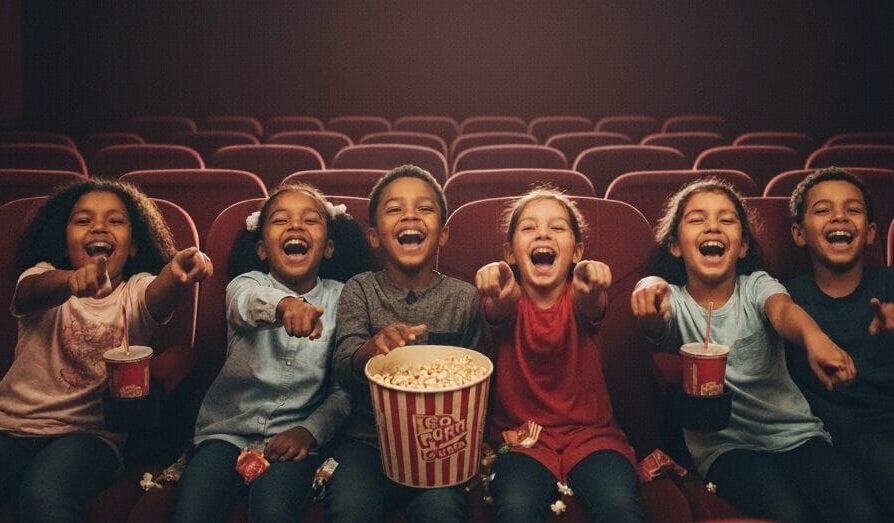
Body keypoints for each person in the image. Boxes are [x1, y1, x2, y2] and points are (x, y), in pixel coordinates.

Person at [630, 178, 881, 523]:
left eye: (727, 219)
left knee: (859, 512)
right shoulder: (674, 300)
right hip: (725, 448)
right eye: (697, 219)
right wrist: (648, 287)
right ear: (675, 245)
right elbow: (654, 322)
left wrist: (814, 339)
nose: (713, 226)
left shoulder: (757, 286)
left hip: (798, 433)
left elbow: (784, 312)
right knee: (789, 514)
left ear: (743, 245)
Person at [0, 179, 212, 523]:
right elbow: (31, 293)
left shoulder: (135, 290)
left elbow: (157, 293)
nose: (99, 226)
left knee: (44, 494)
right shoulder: (41, 276)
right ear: (64, 241)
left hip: (90, 437)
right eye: (83, 221)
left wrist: (176, 272)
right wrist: (70, 281)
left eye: (115, 221)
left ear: (133, 246)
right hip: (9, 425)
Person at [171, 183, 367, 523]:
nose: (295, 226)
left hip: (294, 439)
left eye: (310, 220)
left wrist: (308, 432)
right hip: (225, 433)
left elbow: (343, 390)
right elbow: (245, 306)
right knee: (191, 513)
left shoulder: (344, 298)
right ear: (262, 249)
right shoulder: (244, 285)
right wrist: (286, 306)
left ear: (329, 248)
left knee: (275, 512)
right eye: (280, 220)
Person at [325, 165, 484, 523]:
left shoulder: (464, 298)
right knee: (349, 507)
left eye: (424, 209)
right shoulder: (360, 290)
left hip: (444, 443)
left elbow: (478, 384)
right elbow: (343, 368)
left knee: (442, 510)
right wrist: (372, 349)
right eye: (394, 209)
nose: (410, 215)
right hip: (368, 441)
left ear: (443, 235)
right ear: (374, 237)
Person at [475, 188, 644, 523]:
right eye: (529, 227)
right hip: (522, 439)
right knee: (516, 509)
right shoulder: (506, 298)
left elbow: (591, 304)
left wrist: (591, 286)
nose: (542, 233)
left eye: (557, 228)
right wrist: (497, 286)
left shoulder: (582, 296)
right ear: (510, 252)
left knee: (620, 507)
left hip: (593, 436)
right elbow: (499, 308)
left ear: (577, 250)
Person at [785, 167, 894, 517]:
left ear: (871, 233)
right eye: (822, 210)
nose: (839, 217)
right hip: (834, 437)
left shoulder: (890, 284)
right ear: (799, 234)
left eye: (853, 209)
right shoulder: (786, 300)